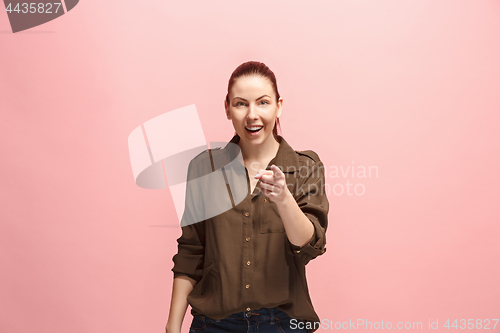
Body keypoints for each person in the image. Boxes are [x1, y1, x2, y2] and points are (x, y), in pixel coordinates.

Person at [165, 61, 329, 333]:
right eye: (241, 104)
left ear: (279, 106)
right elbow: (191, 251)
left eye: (263, 102)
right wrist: (173, 327)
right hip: (213, 325)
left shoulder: (306, 167)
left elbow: (309, 246)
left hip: (283, 324)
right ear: (227, 108)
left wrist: (284, 199)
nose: (252, 114)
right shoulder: (204, 169)